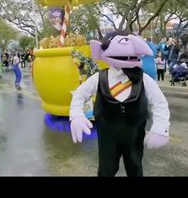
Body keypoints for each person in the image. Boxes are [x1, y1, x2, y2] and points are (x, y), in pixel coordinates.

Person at [70, 31, 170, 177]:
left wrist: (161, 128)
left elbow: (159, 104)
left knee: (135, 168)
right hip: (107, 136)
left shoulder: (144, 79)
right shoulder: (99, 77)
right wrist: (76, 115)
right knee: (106, 170)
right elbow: (79, 95)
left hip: (135, 135)